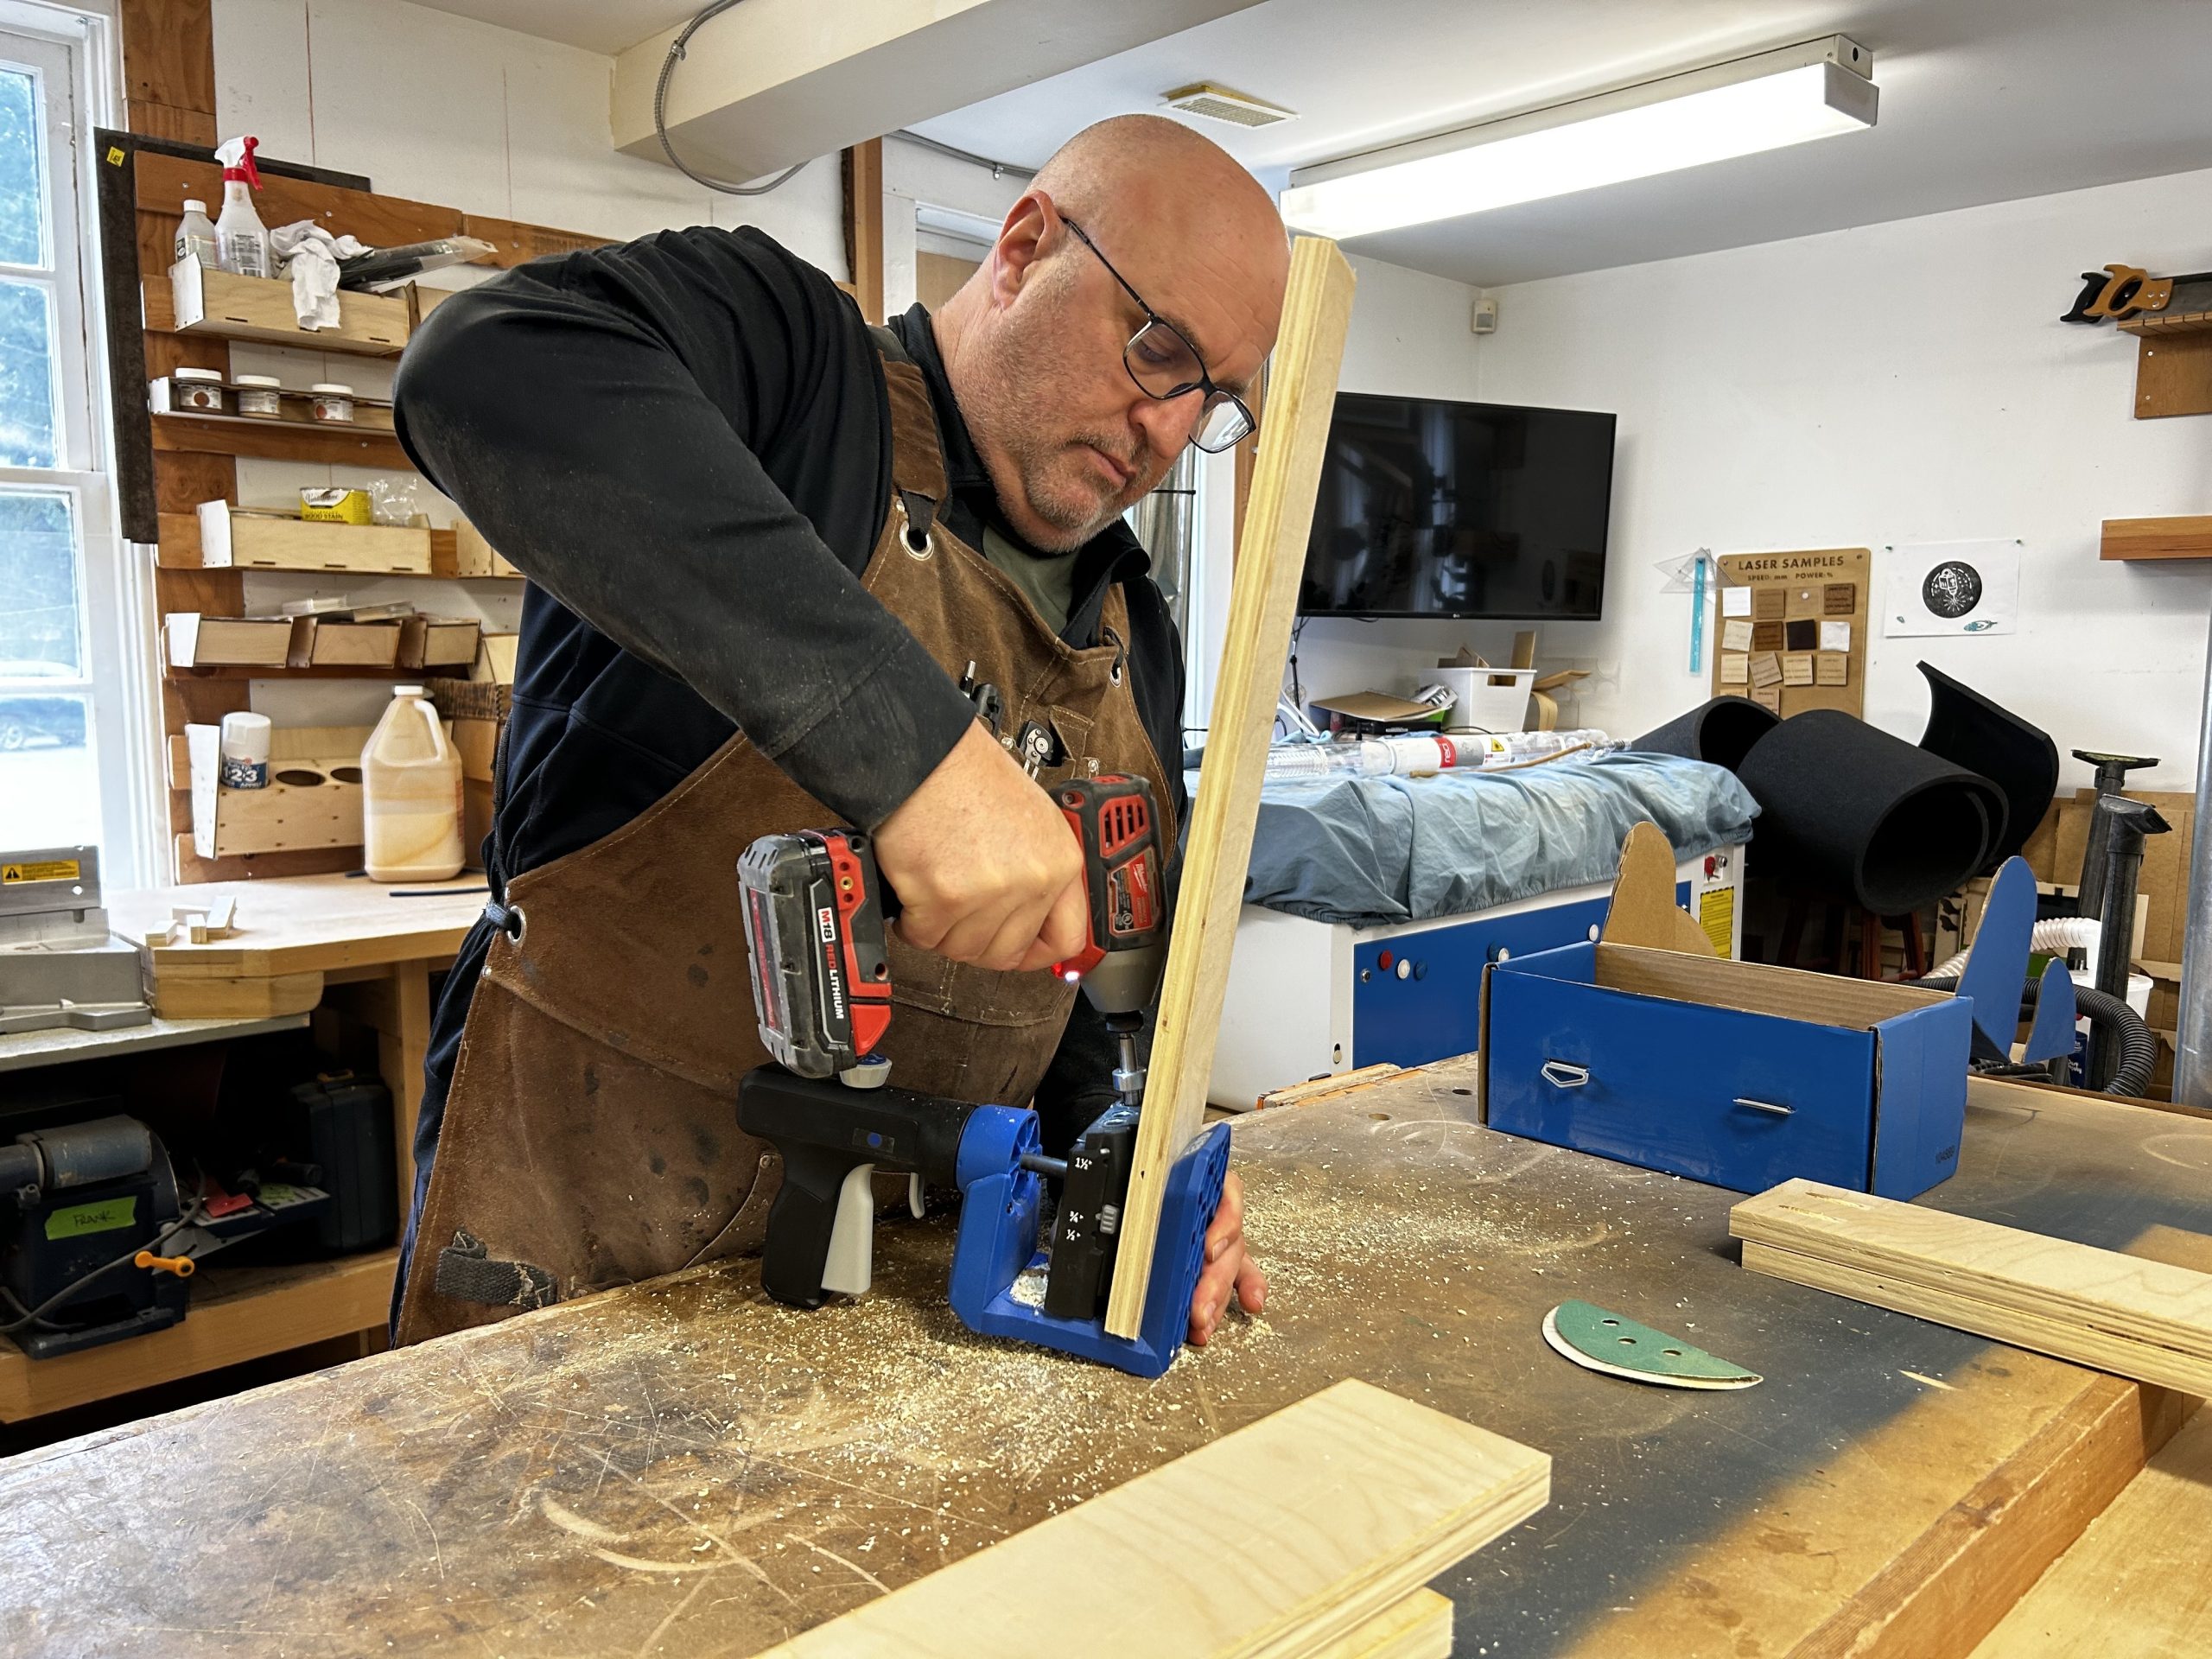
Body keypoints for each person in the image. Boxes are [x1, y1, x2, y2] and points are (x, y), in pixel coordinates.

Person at [386, 114, 1288, 1348]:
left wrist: (1131, 1164)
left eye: (1217, 400)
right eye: (1157, 349)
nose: (1171, 431)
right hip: (586, 1289)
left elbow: (1086, 1004)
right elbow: (483, 366)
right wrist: (919, 758)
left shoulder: (1134, 624)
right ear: (1025, 246)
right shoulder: (789, 370)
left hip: (917, 1342)